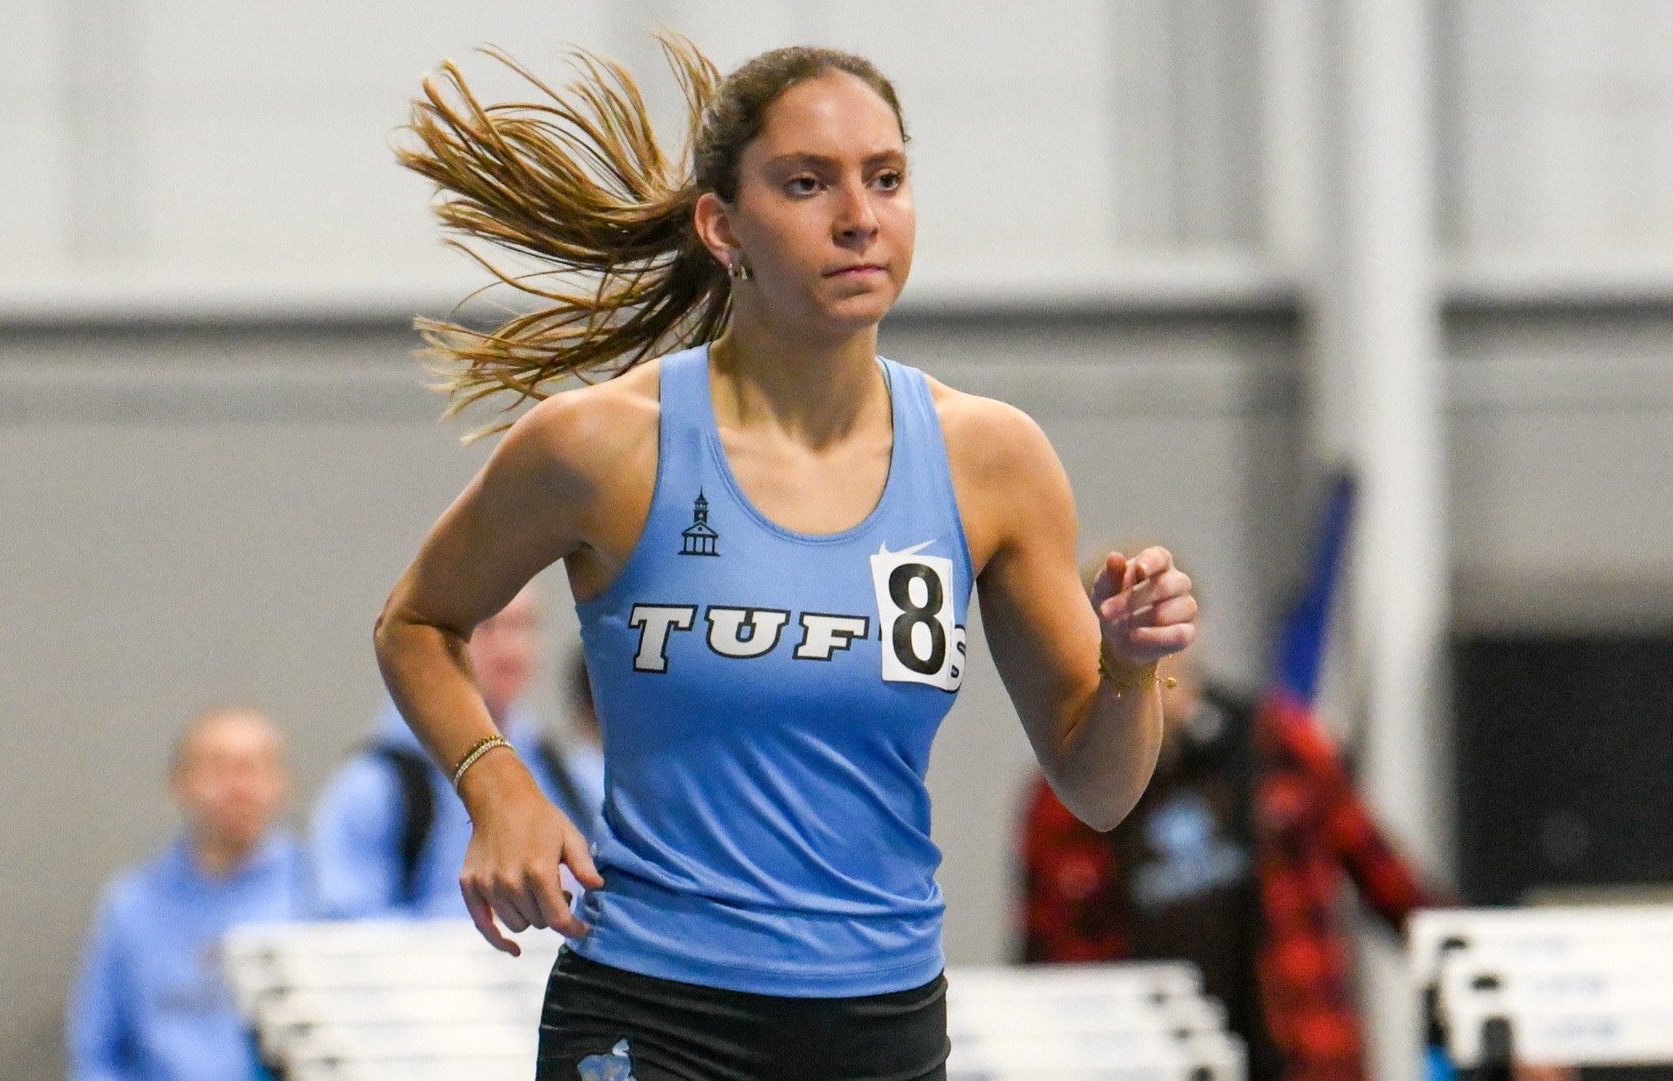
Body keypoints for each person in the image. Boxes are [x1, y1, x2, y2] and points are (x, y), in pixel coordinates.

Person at [374, 38, 1199, 1081]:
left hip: (878, 1027)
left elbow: (1101, 787)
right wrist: (497, 782)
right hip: (651, 1008)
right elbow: (415, 622)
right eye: (807, 184)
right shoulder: (604, 447)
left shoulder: (991, 460)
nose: (859, 215)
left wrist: (1128, 667)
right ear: (724, 225)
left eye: (886, 179)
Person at [1017, 646, 1442, 1081]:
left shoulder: (1279, 744)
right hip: (1144, 1059)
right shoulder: (1059, 805)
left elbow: (1396, 890)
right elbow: (1044, 969)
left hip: (1301, 1053)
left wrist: (1484, 982)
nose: (1145, 671)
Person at [309, 586, 604, 919]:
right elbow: (343, 934)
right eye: (488, 627)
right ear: (435, 642)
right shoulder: (374, 787)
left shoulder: (569, 774)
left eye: (524, 626)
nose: (510, 649)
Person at [68, 707, 306, 1081]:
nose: (238, 789)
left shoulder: (321, 893)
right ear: (179, 783)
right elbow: (98, 1055)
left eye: (254, 768)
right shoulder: (132, 906)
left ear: (280, 782)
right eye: (219, 769)